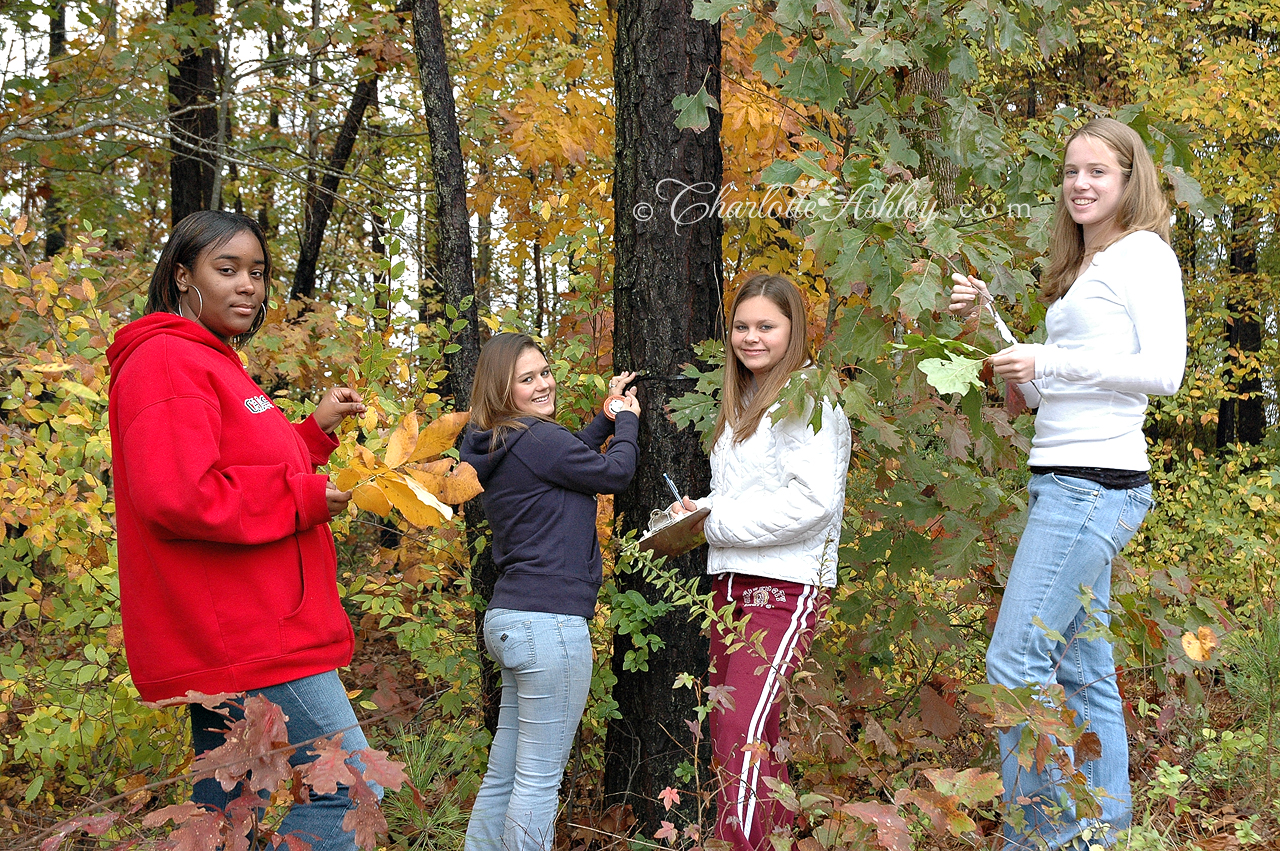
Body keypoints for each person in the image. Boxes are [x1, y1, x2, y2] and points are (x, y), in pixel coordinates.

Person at [107, 210, 378, 851]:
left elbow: (241, 471)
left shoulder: (215, 362)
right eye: (225, 270)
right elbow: (179, 496)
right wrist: (304, 497)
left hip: (247, 629)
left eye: (256, 272)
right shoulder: (167, 362)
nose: (247, 286)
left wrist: (312, 436)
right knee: (352, 789)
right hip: (251, 635)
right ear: (182, 277)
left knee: (228, 811)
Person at [950, 117, 1186, 849]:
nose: (1080, 184)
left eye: (1098, 172)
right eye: (1071, 172)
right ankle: (1100, 836)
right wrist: (996, 328)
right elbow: (1053, 396)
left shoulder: (1144, 253)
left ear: (1128, 179)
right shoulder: (1082, 270)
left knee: (1013, 658)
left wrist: (1049, 362)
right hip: (1063, 478)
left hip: (1096, 485)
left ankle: (1048, 837)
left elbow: (1164, 372)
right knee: (1085, 676)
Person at [670, 274, 851, 851]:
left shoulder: (806, 398)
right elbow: (755, 490)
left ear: (793, 330)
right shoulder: (746, 402)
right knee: (750, 736)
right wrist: (696, 511)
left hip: (785, 588)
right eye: (741, 326)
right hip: (733, 586)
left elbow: (813, 502)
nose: (751, 337)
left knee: (737, 734)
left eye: (766, 326)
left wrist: (713, 525)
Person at [459, 332, 640, 851]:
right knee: (537, 782)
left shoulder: (502, 442)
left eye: (544, 372)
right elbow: (613, 472)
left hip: (513, 619)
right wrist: (627, 421)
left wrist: (605, 419)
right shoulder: (535, 438)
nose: (543, 384)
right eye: (527, 379)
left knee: (505, 774)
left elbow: (567, 460)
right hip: (550, 625)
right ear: (502, 389)